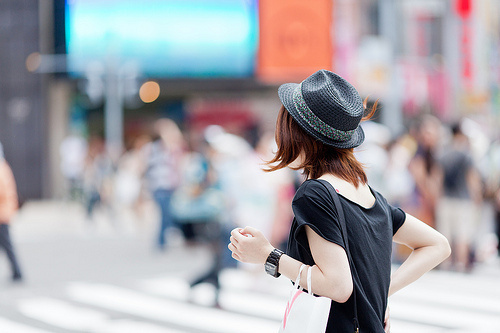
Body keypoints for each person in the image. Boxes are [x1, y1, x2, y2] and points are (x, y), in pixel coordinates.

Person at [228, 70, 451, 332]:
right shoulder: (370, 196)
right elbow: (437, 244)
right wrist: (376, 295)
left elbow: (338, 286)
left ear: (299, 133)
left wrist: (269, 256)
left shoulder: (315, 194)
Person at [436, 122, 482, 272]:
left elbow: (438, 178)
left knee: (445, 233)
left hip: (445, 198)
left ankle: (445, 263)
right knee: (462, 233)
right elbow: (472, 178)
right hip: (463, 199)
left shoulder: (443, 153)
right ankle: (460, 264)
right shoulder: (467, 155)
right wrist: (477, 197)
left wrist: (437, 197)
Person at [0, 141, 23, 282]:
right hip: (4, 212)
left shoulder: (1, 169)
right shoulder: (4, 167)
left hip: (2, 213)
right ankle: (17, 272)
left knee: (7, 246)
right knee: (7, 245)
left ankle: (17, 272)